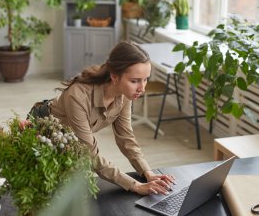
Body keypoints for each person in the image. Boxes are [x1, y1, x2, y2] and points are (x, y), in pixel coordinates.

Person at [30, 41, 175, 195]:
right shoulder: (77, 95)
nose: (142, 88)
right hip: (42, 132)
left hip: (71, 141)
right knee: (44, 192)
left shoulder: (125, 95)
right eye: (135, 81)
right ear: (114, 76)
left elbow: (126, 137)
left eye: (145, 79)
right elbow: (90, 154)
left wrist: (147, 172)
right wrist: (134, 185)